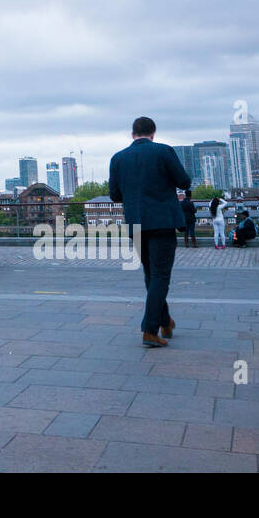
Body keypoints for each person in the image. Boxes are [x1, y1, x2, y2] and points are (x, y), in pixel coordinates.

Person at [108, 116, 193, 348]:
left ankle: (165, 322)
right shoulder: (164, 151)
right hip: (162, 222)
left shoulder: (118, 158)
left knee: (151, 274)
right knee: (160, 276)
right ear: (153, 133)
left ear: (132, 133)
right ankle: (149, 330)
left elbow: (115, 195)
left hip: (136, 224)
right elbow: (184, 182)